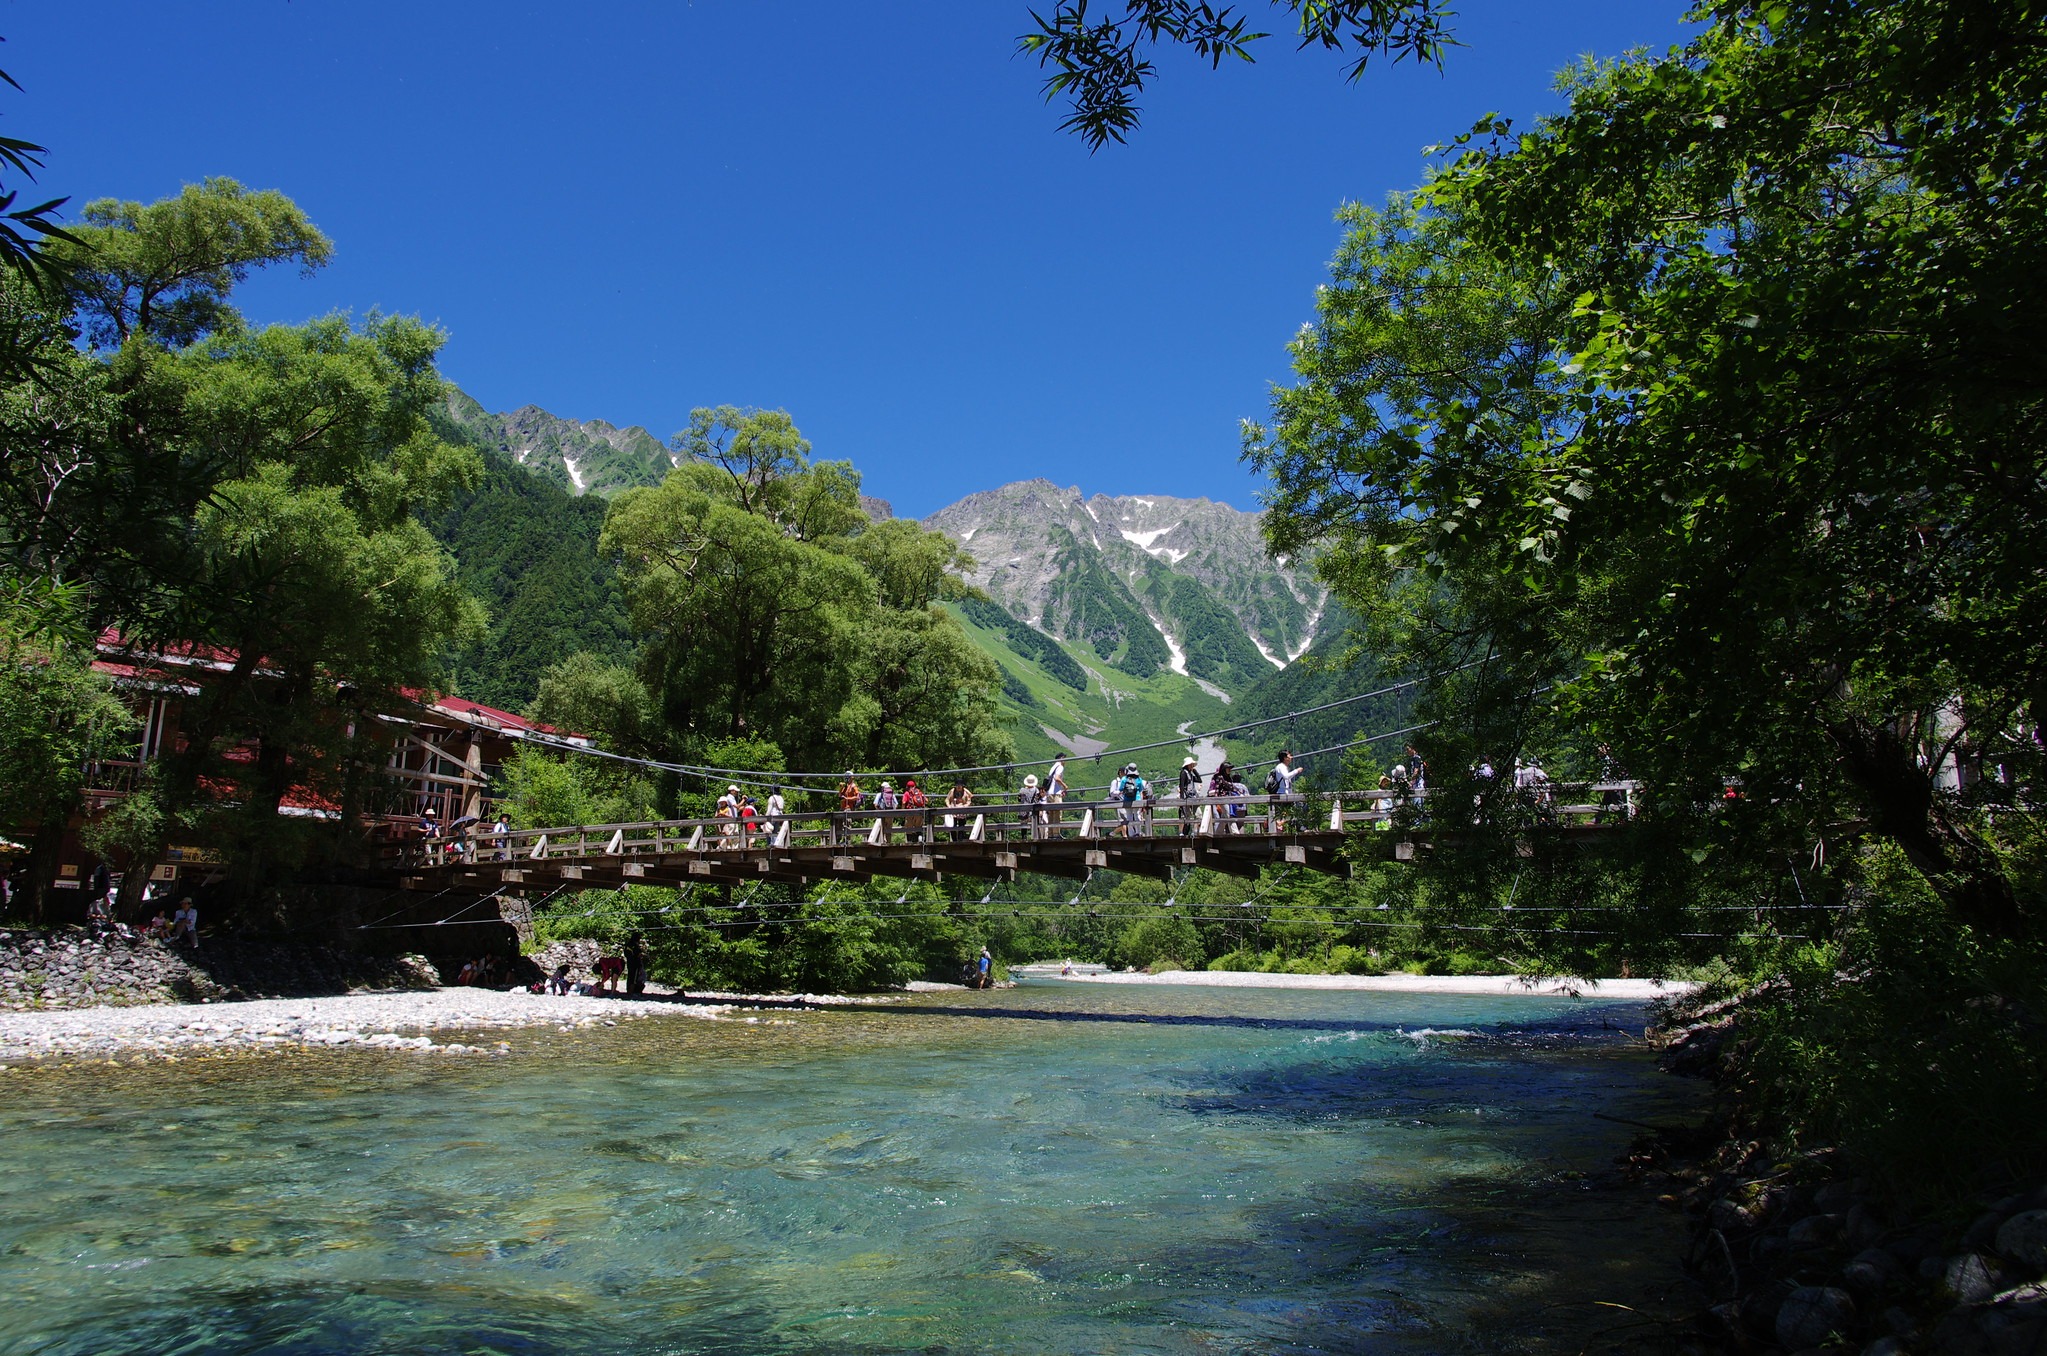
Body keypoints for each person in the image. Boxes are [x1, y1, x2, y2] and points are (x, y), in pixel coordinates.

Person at [1112, 763, 1147, 837]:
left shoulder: (1124, 779)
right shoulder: (1138, 779)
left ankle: (1131, 833)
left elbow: (1120, 788)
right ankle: (1138, 832)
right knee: (1137, 815)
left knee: (1129, 817)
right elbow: (1141, 789)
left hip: (1127, 800)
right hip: (1136, 799)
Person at [1177, 756, 1202, 836]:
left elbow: (1199, 780)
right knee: (1187, 816)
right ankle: (1186, 833)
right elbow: (1181, 786)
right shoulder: (1183, 773)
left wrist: (1194, 771)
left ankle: (1194, 831)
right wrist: (1182, 799)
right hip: (1187, 798)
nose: (1192, 766)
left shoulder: (1190, 774)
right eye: (1191, 765)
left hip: (1193, 797)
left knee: (1198, 814)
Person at [837, 772, 862, 845]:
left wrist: (847, 798)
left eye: (848, 777)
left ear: (851, 778)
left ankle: (847, 840)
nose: (846, 779)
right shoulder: (845, 786)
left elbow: (857, 797)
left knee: (847, 823)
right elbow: (839, 796)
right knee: (838, 823)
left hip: (849, 808)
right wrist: (840, 789)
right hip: (842, 807)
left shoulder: (853, 786)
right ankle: (838, 839)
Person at [1017, 773, 1044, 839]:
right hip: (1032, 811)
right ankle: (1036, 838)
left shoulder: (1022, 790)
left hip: (1023, 811)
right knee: (1035, 825)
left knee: (1023, 827)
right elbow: (1037, 800)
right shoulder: (1036, 790)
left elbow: (1019, 799)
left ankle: (1024, 838)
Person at [901, 778, 928, 843]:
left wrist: (902, 810)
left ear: (907, 787)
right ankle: (920, 840)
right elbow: (926, 801)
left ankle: (909, 842)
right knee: (918, 827)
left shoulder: (907, 793)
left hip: (910, 812)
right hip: (919, 812)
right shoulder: (919, 792)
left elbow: (904, 802)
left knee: (909, 828)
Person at [1045, 757, 1067, 833]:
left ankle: (1050, 833)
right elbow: (1057, 778)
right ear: (1062, 758)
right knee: (1057, 814)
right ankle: (1056, 833)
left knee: (1051, 814)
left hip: (1049, 793)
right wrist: (1064, 786)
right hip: (1056, 794)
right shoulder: (1060, 767)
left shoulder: (1053, 767)